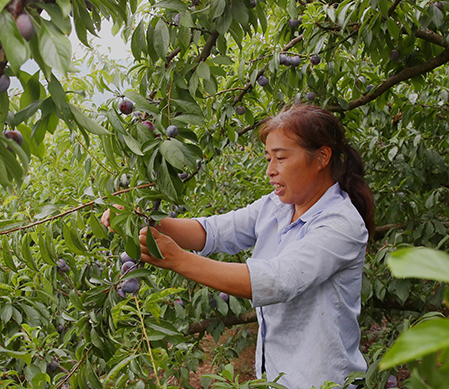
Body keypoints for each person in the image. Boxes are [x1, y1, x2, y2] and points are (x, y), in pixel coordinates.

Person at [102, 104, 375, 388]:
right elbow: (213, 231)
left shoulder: (340, 224)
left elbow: (277, 280)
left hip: (324, 381)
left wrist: (177, 260)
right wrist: (141, 220)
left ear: (321, 157)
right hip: (276, 379)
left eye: (280, 158)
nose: (270, 170)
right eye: (268, 158)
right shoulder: (277, 206)